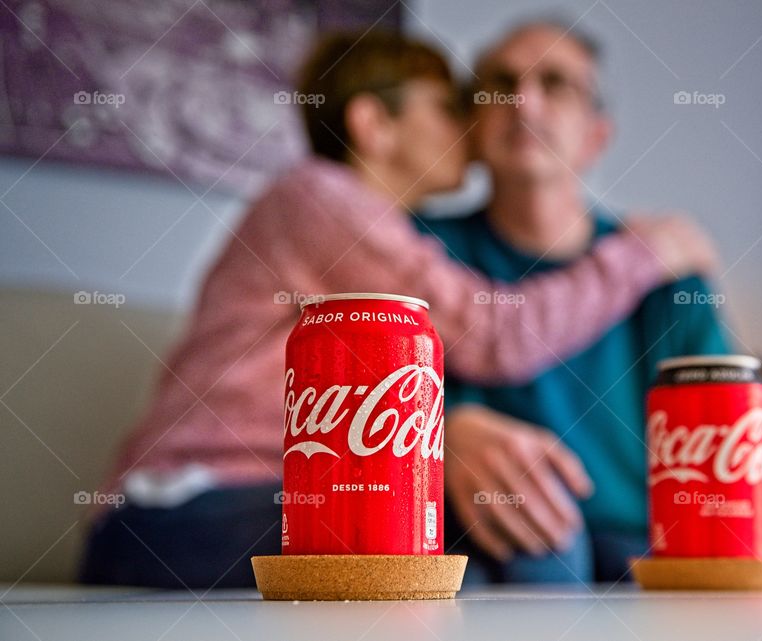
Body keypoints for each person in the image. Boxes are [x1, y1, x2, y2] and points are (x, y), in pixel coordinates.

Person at [79, 30, 718, 588]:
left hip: (263, 498)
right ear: (373, 125)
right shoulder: (319, 199)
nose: (470, 124)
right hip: (180, 507)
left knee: (517, 536)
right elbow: (492, 333)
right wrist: (644, 253)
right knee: (525, 532)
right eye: (447, 107)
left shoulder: (389, 228)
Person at [425, 21, 762, 584]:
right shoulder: (418, 255)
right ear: (471, 125)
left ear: (597, 135)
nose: (522, 101)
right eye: (499, 85)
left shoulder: (663, 269)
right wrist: (444, 432)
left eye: (555, 82)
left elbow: (726, 421)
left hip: (655, 544)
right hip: (516, 543)